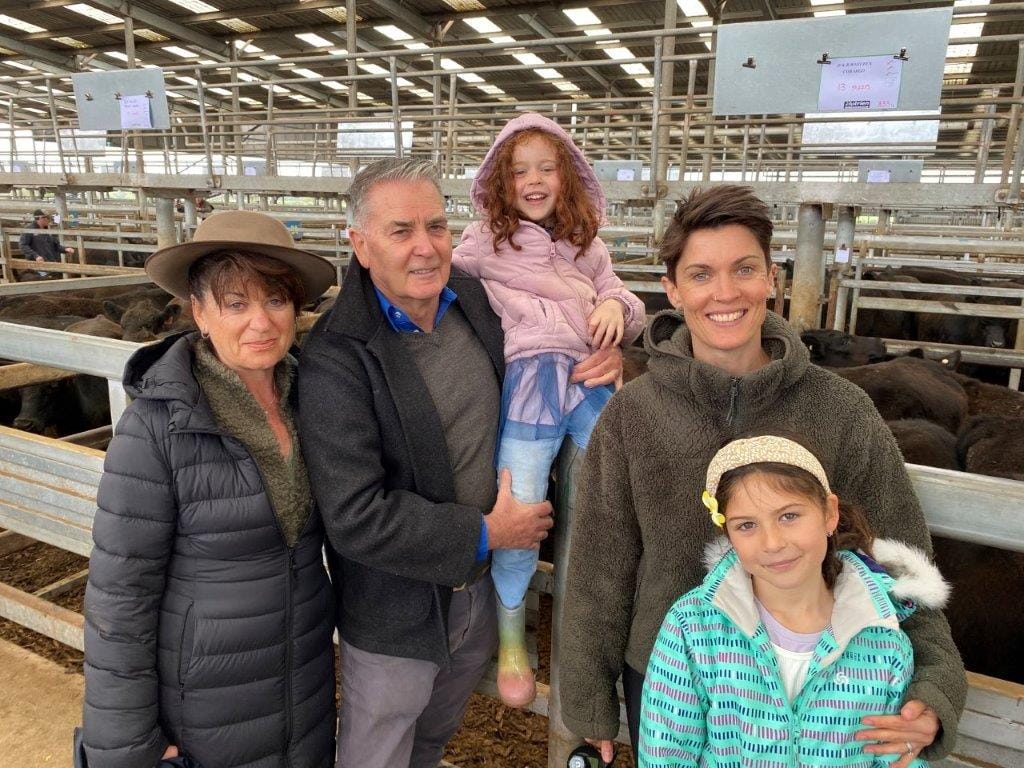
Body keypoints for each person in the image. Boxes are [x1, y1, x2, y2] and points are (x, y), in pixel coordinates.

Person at [559, 185, 966, 767]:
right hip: (672, 682)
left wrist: (934, 689)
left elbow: (903, 561)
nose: (725, 293)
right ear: (672, 290)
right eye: (701, 274)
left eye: (744, 269)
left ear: (772, 278)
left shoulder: (840, 409)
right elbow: (601, 565)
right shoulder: (633, 415)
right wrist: (589, 702)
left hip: (831, 683)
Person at [297, 157, 622, 768]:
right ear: (360, 245)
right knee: (378, 751)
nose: (425, 248)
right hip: (397, 613)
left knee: (432, 741)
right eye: (401, 231)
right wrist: (489, 533)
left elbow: (556, 332)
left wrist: (606, 354)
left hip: (477, 597)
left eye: (437, 226)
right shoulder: (336, 357)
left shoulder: (477, 300)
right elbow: (355, 515)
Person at [82, 211, 337, 768]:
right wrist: (127, 745)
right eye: (235, 304)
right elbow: (120, 600)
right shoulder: (157, 427)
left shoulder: (317, 403)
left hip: (305, 689)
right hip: (203, 705)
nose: (261, 322)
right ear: (199, 312)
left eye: (275, 300)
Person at [451, 112, 645, 707]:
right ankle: (513, 640)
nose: (533, 181)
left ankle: (608, 623)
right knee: (522, 503)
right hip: (530, 383)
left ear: (569, 176)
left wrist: (618, 311)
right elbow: (439, 280)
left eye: (546, 168)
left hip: (588, 378)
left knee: (621, 477)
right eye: (518, 171)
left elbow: (621, 295)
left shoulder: (587, 245)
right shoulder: (482, 241)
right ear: (499, 182)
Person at [638, 435, 949, 767]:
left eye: (789, 516)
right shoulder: (693, 627)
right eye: (746, 525)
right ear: (728, 534)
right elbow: (664, 755)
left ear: (829, 513)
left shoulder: (882, 638)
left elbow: (895, 757)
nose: (772, 543)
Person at [19, 208, 75, 277]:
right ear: (40, 218)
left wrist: (65, 249)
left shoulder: (48, 230)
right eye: (47, 218)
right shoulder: (29, 230)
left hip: (51, 262)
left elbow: (55, 245)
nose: (49, 220)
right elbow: (23, 245)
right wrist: (36, 256)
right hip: (38, 264)